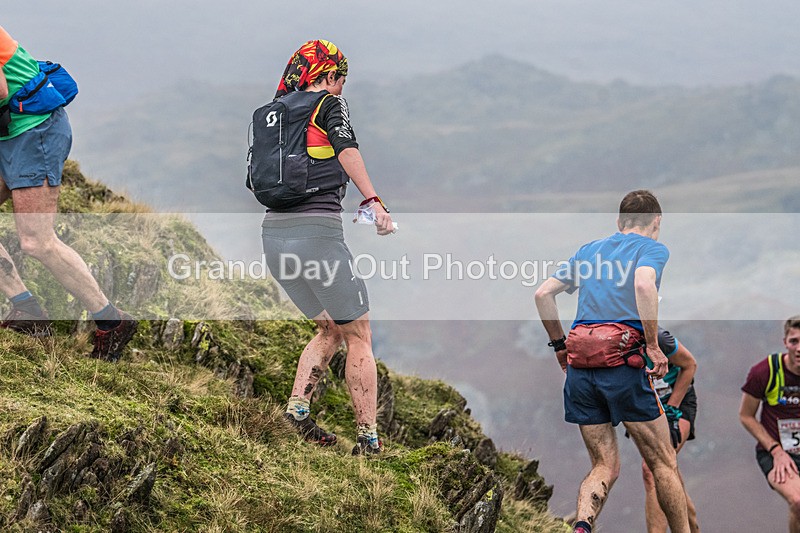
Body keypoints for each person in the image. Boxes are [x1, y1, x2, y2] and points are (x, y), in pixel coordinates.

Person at [258, 40, 394, 455]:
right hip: (316, 235)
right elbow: (347, 149)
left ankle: (297, 413)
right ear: (330, 75)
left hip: (274, 236)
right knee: (359, 333)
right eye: (341, 80)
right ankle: (369, 441)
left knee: (330, 327)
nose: (341, 89)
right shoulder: (328, 105)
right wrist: (372, 199)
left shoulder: (274, 112)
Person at [534, 190, 690, 533]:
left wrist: (560, 345)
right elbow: (643, 285)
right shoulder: (652, 248)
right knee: (664, 462)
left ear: (619, 223)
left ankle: (582, 525)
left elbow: (542, 294)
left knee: (604, 465)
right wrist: (652, 345)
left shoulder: (589, 251)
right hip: (623, 366)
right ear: (657, 222)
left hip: (580, 369)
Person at [0, 26, 137, 360]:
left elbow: (0, 89)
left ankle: (112, 320)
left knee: (36, 242)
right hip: (9, 131)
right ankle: (26, 309)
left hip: (35, 131)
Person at [740, 315, 800, 532]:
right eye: (794, 341)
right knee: (798, 501)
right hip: (777, 451)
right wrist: (775, 450)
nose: (799, 348)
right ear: (785, 342)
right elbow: (746, 415)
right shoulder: (765, 371)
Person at [641, 327, 700, 533]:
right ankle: (693, 527)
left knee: (652, 470)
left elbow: (690, 365)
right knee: (669, 473)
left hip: (678, 403)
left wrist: (672, 409)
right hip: (648, 410)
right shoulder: (613, 341)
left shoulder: (659, 338)